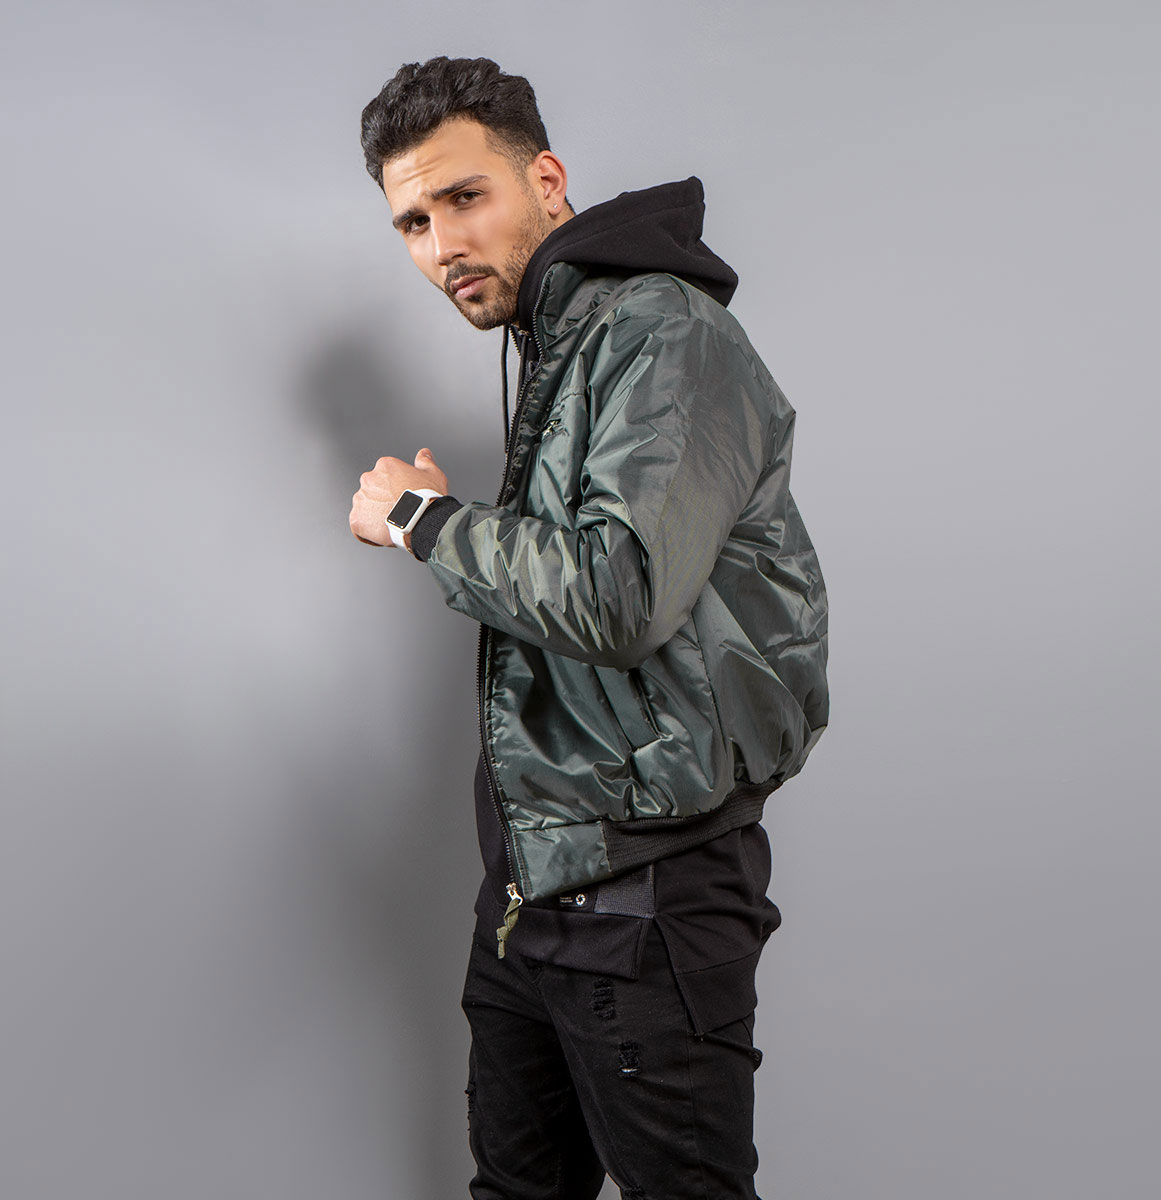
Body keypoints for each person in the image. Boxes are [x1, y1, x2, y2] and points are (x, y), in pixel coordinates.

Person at [349, 55, 829, 1200]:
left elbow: (617, 596)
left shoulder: (660, 333)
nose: (444, 245)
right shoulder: (562, 344)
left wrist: (422, 521)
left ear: (547, 180)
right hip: (534, 891)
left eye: (465, 198)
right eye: (414, 221)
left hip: (647, 895)